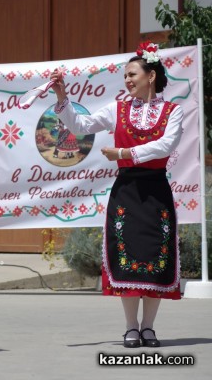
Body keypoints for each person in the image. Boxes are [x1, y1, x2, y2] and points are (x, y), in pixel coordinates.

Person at [49, 41, 183, 348]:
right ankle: (130, 327)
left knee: (155, 258)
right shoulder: (118, 108)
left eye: (133, 74)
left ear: (151, 76)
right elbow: (81, 125)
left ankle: (149, 327)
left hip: (156, 190)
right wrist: (61, 97)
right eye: (125, 76)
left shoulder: (172, 111)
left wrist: (123, 151)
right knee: (128, 255)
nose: (127, 80)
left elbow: (165, 145)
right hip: (127, 190)